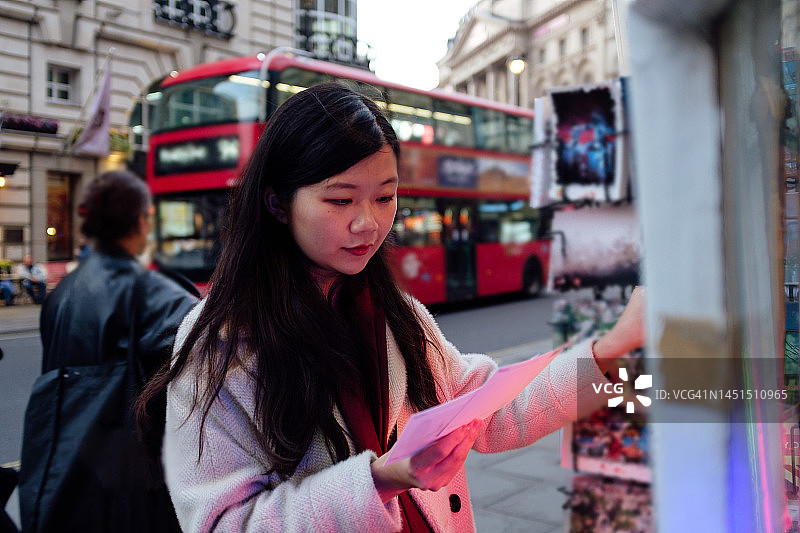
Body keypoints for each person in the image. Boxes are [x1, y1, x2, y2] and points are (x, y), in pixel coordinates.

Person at [136, 82, 645, 533]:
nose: (369, 224)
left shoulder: (394, 313)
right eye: (341, 201)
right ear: (277, 203)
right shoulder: (221, 342)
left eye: (385, 197)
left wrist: (609, 350)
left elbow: (485, 409)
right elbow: (222, 523)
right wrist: (377, 482)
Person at [31, 170, 198, 532]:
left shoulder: (60, 294)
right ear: (140, 221)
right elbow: (211, 347)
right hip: (126, 493)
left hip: (62, 481)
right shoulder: (151, 293)